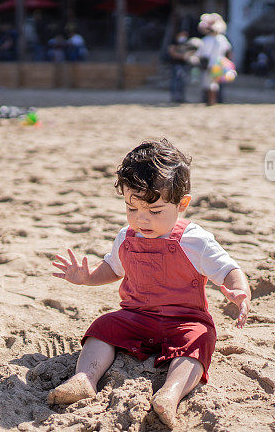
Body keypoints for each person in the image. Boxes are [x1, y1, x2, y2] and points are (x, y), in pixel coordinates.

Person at [49, 139, 251, 428]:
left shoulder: (196, 240)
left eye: (155, 211)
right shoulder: (127, 237)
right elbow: (113, 268)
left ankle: (170, 394)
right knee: (103, 327)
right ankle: (85, 378)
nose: (141, 220)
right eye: (132, 209)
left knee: (201, 339)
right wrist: (88, 277)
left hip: (185, 319)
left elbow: (229, 268)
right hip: (136, 316)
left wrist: (239, 290)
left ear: (182, 204)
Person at [190, 13, 233, 106]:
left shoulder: (206, 40)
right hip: (220, 63)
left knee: (208, 83)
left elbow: (202, 53)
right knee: (216, 83)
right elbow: (228, 51)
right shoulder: (222, 39)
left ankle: (209, 101)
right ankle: (215, 100)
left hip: (209, 63)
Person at [166, 31, 191, 103]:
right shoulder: (174, 42)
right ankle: (175, 97)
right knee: (176, 81)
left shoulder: (186, 43)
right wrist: (182, 57)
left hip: (184, 64)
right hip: (176, 64)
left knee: (183, 82)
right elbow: (172, 52)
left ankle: (181, 97)